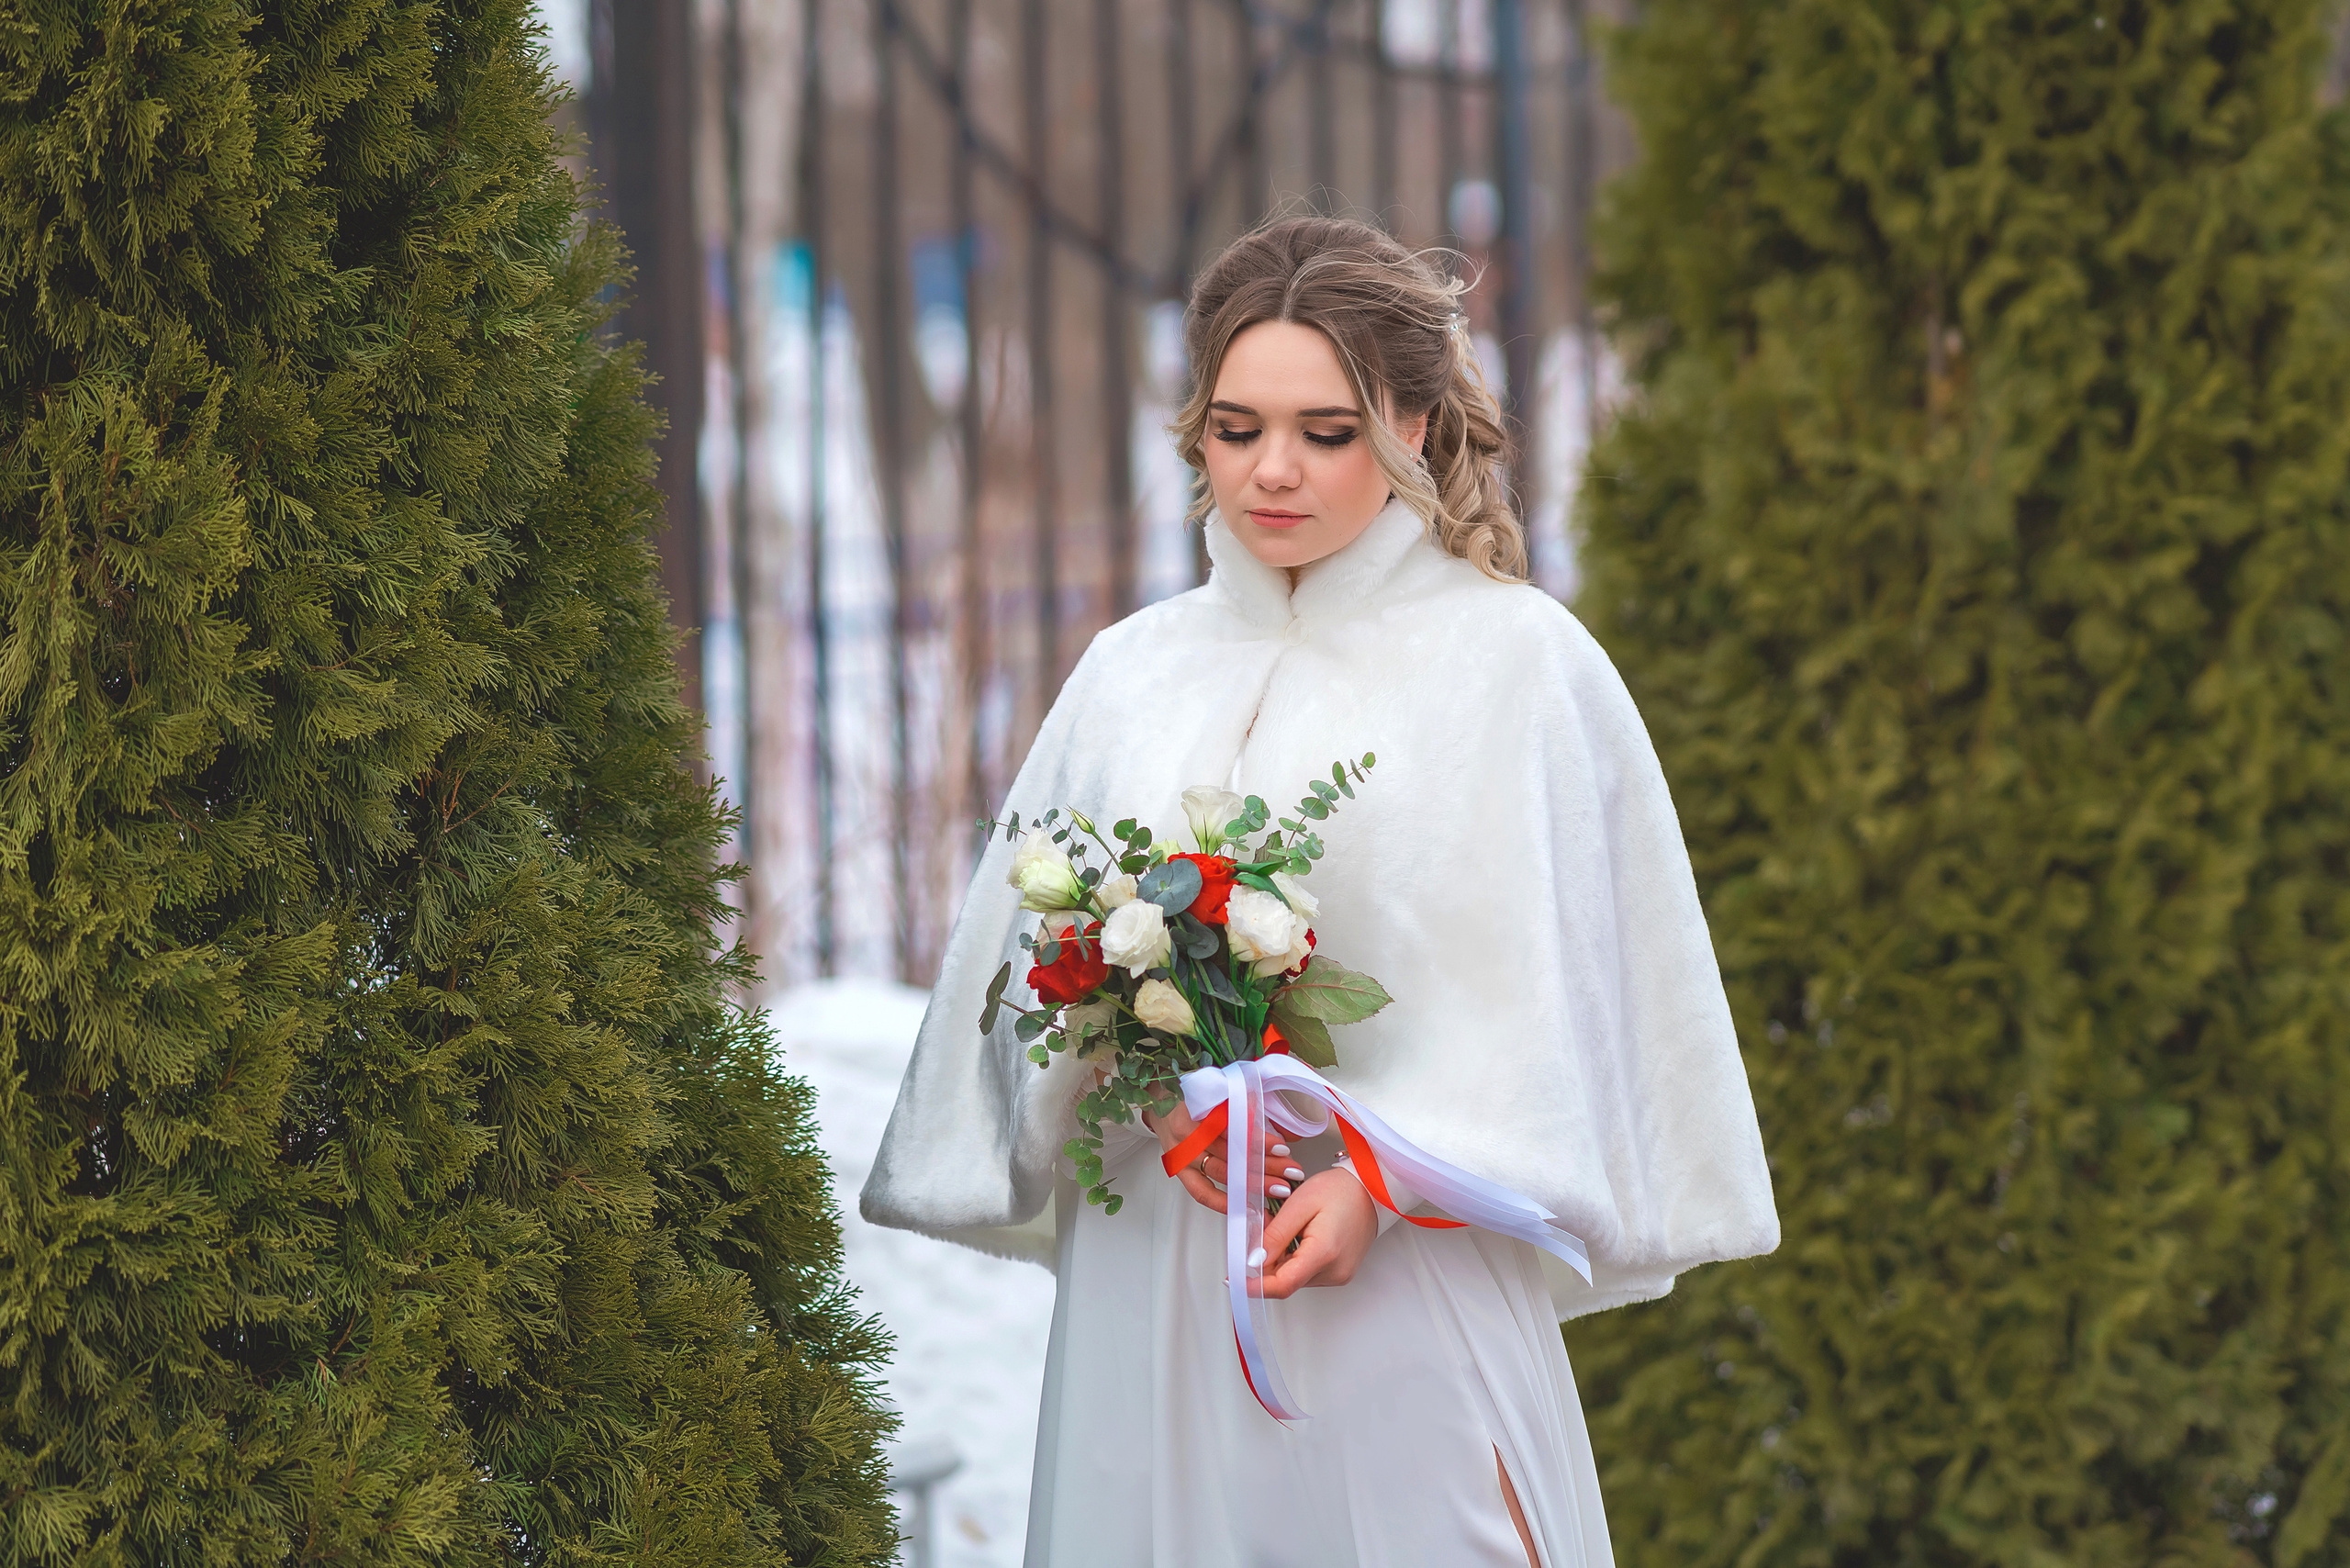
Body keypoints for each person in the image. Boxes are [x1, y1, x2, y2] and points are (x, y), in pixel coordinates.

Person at [861, 215, 1780, 1567]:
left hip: (1398, 1280)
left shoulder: (1518, 664)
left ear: (1413, 421)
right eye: (1237, 429)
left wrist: (1377, 1182)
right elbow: (1027, 980)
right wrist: (1140, 1074)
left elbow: (1561, 1019)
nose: (1273, 469)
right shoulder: (1130, 672)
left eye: (1327, 431)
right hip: (1157, 1277)